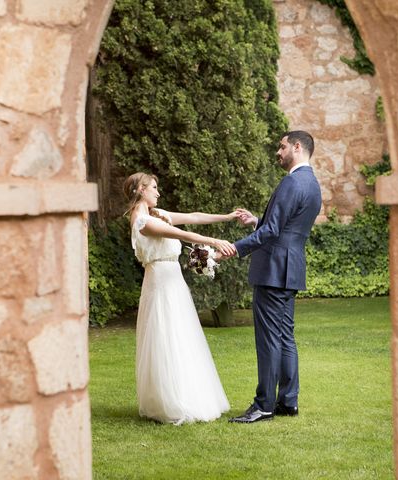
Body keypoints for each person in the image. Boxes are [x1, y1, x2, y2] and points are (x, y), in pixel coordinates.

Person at [123, 172, 236, 425]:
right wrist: (215, 241)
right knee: (166, 336)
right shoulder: (142, 221)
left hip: (174, 282)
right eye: (153, 187)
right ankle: (170, 401)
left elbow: (194, 217)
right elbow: (183, 235)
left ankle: (190, 394)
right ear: (140, 190)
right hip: (160, 284)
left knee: (182, 336)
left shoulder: (158, 214)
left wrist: (227, 217)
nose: (158, 192)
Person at [227, 130, 322, 423]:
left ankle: (264, 404)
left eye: (281, 147)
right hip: (290, 268)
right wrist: (257, 220)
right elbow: (285, 227)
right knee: (284, 337)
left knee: (269, 339)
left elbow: (272, 233)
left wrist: (233, 248)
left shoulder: (292, 182)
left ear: (297, 146)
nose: (278, 153)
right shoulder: (312, 184)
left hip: (273, 270)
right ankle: (288, 401)